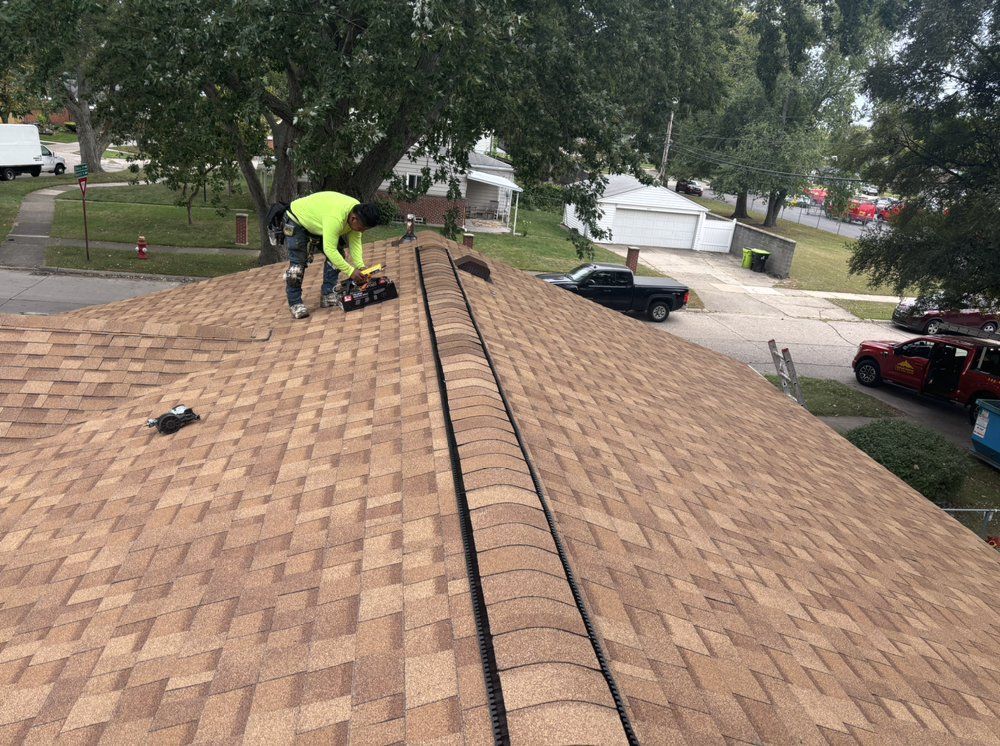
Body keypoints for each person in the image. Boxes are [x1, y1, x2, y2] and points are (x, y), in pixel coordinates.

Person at [282, 192, 382, 318]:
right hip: (297, 219)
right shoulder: (336, 218)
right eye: (362, 228)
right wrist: (351, 271)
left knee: (338, 255)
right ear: (353, 219)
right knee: (297, 267)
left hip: (318, 221)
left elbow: (355, 243)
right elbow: (329, 249)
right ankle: (295, 303)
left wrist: (361, 266)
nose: (362, 231)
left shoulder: (357, 212)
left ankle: (328, 295)